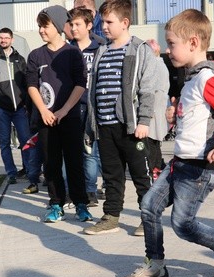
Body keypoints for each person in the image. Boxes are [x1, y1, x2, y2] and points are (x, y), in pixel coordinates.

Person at [120, 9, 214, 277]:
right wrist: (176, 115)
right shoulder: (192, 77)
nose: (167, 50)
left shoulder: (208, 78)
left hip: (200, 167)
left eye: (172, 43)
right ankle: (155, 263)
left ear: (192, 43)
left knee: (183, 224)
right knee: (149, 205)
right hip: (180, 162)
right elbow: (199, 117)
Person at [83, 0, 156, 235]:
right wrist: (91, 125)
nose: (103, 26)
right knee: (112, 176)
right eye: (102, 21)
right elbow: (94, 88)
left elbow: (147, 89)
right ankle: (111, 216)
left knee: (140, 176)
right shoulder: (102, 50)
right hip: (104, 126)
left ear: (125, 23)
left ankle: (148, 218)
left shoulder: (139, 48)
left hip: (130, 127)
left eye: (108, 22)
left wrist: (143, 121)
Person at [26, 5, 92, 222]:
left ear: (56, 25)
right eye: (39, 27)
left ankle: (81, 203)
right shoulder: (36, 55)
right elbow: (32, 85)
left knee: (75, 161)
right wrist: (43, 110)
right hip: (46, 119)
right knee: (51, 163)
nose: (41, 31)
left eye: (44, 26)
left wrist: (64, 110)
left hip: (70, 117)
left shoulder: (73, 53)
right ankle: (56, 204)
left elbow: (80, 84)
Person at [0, 27, 31, 185]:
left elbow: (26, 83)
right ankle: (11, 173)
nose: (3, 40)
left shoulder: (20, 59)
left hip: (20, 108)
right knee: (4, 143)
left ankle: (29, 170)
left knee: (26, 141)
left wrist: (25, 101)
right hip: (2, 109)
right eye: (0, 38)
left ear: (12, 39)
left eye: (6, 38)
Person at [69, 7, 103, 207]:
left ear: (89, 26)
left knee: (90, 152)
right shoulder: (66, 50)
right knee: (70, 153)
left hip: (91, 109)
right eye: (71, 25)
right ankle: (71, 190)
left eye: (78, 24)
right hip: (70, 109)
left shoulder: (99, 48)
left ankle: (90, 190)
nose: (73, 28)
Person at [145, 38, 170, 183]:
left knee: (151, 143)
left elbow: (155, 90)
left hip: (153, 109)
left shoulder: (155, 65)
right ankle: (156, 167)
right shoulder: (161, 65)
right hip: (158, 109)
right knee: (154, 143)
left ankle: (154, 168)